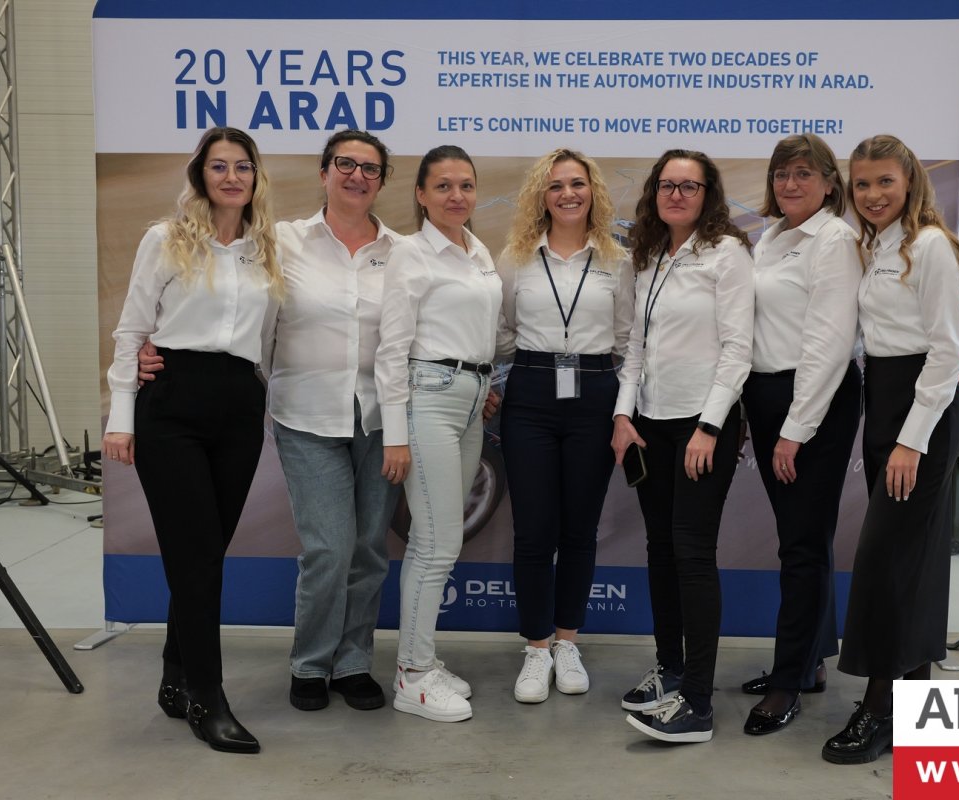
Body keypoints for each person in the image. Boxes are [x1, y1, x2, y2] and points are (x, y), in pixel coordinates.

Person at [138, 129, 405, 715]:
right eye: (345, 164)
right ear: (323, 173)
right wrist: (151, 351)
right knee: (329, 548)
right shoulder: (278, 241)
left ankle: (353, 662)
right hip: (305, 414)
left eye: (370, 168)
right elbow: (231, 308)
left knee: (368, 549)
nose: (357, 176)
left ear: (383, 180)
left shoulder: (401, 251)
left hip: (379, 416)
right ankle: (310, 664)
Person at [104, 127, 282, 754]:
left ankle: (175, 676)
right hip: (173, 403)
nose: (232, 177)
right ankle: (209, 698)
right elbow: (132, 332)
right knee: (197, 557)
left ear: (256, 177)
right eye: (219, 166)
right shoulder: (166, 239)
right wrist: (121, 416)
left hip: (239, 403)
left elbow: (268, 339)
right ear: (200, 175)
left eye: (243, 167)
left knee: (205, 556)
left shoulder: (266, 249)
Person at [822, 134, 959, 764]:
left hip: (923, 413)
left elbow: (948, 352)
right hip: (883, 399)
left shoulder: (930, 245)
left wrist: (912, 441)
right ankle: (915, 704)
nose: (873, 194)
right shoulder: (876, 245)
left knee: (885, 560)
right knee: (914, 559)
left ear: (910, 181)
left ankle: (879, 709)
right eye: (862, 184)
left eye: (885, 181)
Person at [611, 149, 754, 743]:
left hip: (703, 424)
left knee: (692, 555)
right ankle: (670, 669)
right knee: (661, 550)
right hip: (651, 423)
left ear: (707, 194)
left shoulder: (727, 254)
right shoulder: (648, 256)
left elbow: (738, 350)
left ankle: (697, 702)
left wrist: (710, 427)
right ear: (654, 193)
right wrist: (623, 415)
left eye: (689, 186)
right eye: (667, 185)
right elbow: (635, 347)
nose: (676, 194)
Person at [495, 149, 634, 704]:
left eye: (577, 184)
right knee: (533, 531)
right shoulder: (516, 257)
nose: (568, 194)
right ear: (542, 196)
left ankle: (567, 641)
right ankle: (536, 648)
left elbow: (626, 338)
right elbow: (503, 330)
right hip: (530, 393)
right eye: (556, 186)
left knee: (580, 529)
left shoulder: (616, 260)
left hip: (595, 393)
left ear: (592, 192)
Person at [738, 134, 863, 736]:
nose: (790, 184)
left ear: (830, 183)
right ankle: (809, 663)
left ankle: (787, 683)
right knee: (802, 537)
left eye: (804, 173)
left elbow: (829, 345)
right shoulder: (773, 237)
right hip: (769, 396)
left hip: (812, 401)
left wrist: (795, 429)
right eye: (782, 173)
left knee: (802, 547)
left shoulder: (834, 241)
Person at [375, 145, 502, 723]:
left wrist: (483, 383)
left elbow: (484, 331)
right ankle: (413, 676)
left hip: (471, 401)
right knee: (434, 543)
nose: (457, 196)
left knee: (441, 541)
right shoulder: (410, 254)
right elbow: (392, 349)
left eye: (466, 185)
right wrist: (395, 434)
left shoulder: (477, 251)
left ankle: (422, 658)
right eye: (444, 186)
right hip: (427, 397)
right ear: (421, 195)